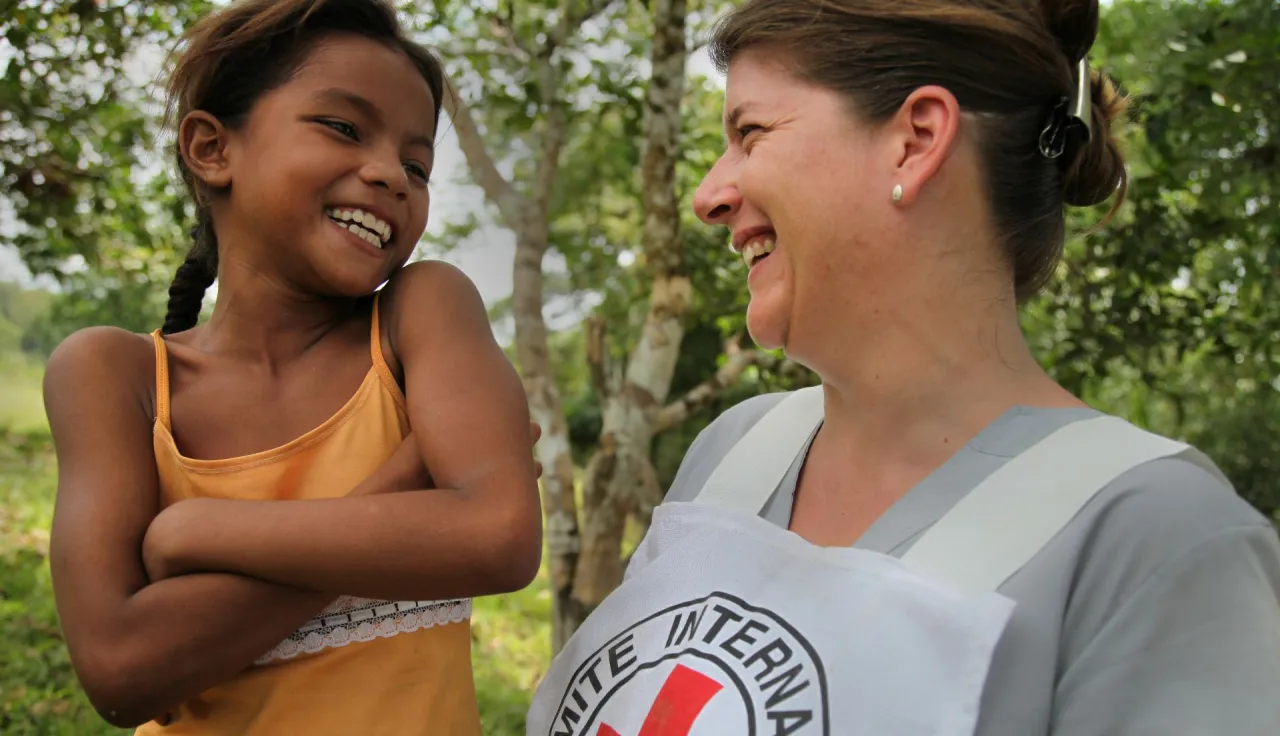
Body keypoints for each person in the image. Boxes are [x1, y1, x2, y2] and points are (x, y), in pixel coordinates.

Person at [526, 1, 1280, 734]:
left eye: (750, 133)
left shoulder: (1159, 539)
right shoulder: (734, 453)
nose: (709, 196)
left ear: (917, 139)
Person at [42, 1, 543, 733]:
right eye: (343, 128)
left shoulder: (420, 314)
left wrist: (195, 532)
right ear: (212, 149)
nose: (390, 175)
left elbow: (498, 539)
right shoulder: (114, 376)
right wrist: (404, 481)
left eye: (417, 164)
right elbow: (121, 670)